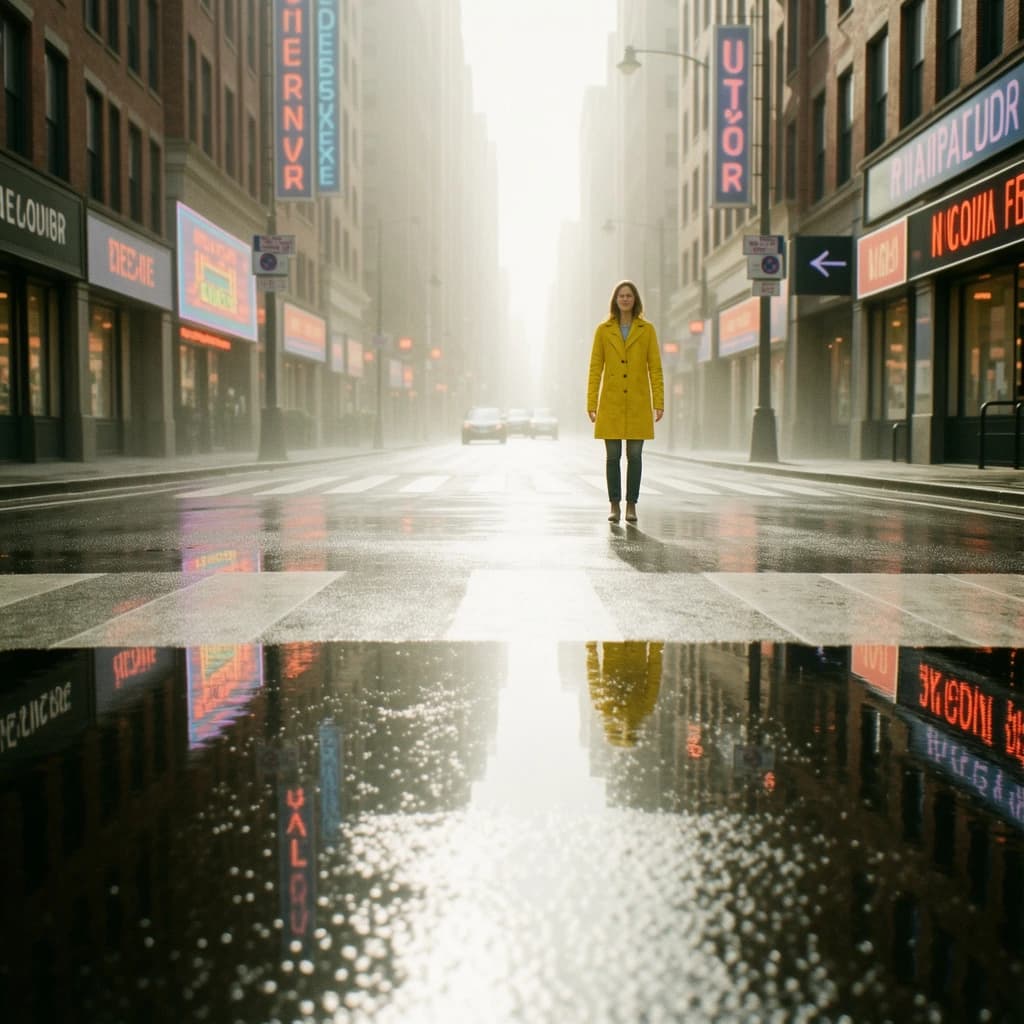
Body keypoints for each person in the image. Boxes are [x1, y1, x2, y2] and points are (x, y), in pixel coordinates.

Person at [587, 280, 664, 523]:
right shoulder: (603, 330)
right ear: (615, 300)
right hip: (610, 403)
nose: (625, 299)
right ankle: (614, 505)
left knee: (635, 456)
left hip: (639, 402)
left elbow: (656, 368)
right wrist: (592, 402)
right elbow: (595, 368)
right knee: (612, 457)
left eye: (629, 295)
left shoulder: (647, 329)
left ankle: (631, 506)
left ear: (635, 299)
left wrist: (658, 401)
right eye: (621, 295)